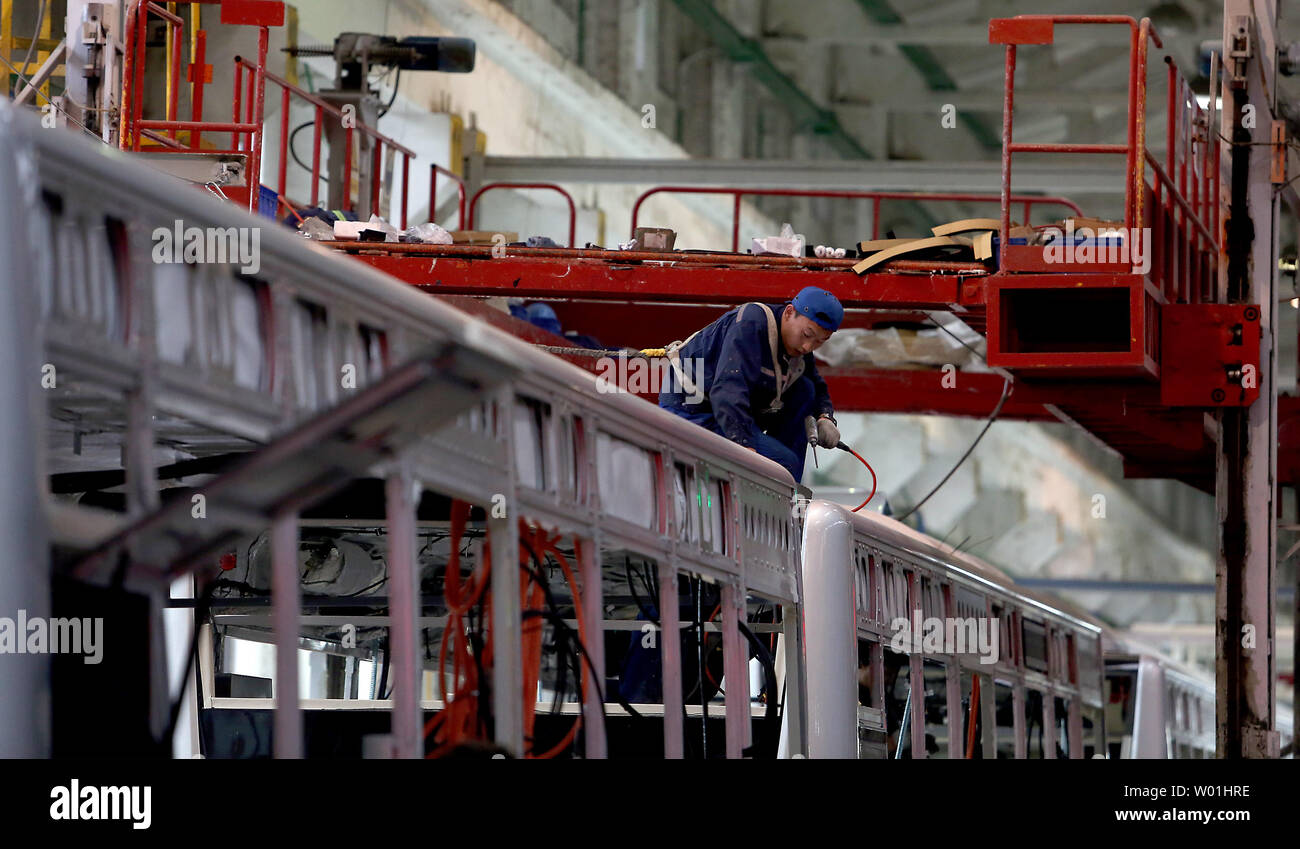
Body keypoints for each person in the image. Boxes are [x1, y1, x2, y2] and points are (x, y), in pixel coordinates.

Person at [658, 286, 843, 482]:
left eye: (819, 342)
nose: (808, 347)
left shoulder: (799, 349)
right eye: (807, 334)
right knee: (782, 464)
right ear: (789, 313)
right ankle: (784, 494)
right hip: (693, 409)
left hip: (729, 412)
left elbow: (816, 385)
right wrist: (745, 449)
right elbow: (727, 391)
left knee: (805, 390)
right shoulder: (751, 322)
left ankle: (788, 478)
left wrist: (825, 417)